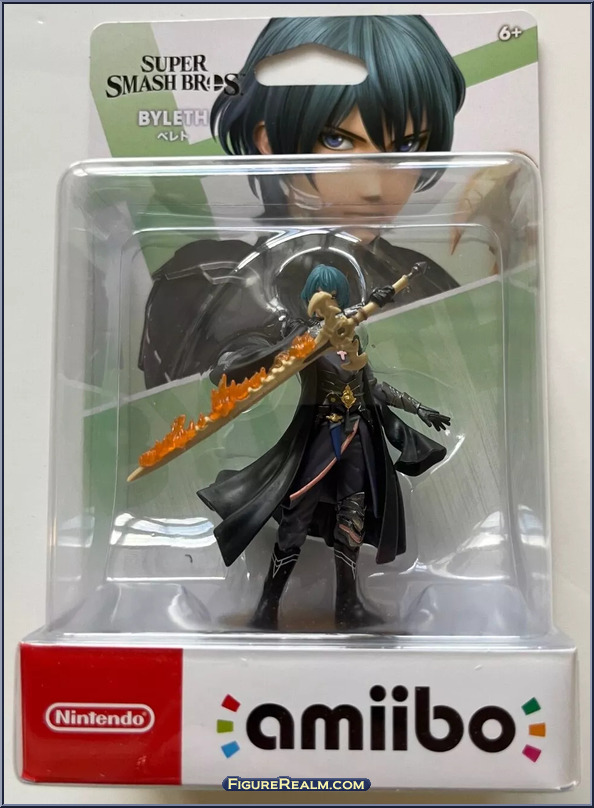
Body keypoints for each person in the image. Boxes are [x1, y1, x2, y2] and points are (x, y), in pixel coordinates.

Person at [138, 14, 466, 388]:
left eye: (406, 146)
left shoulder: (425, 284)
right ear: (268, 140)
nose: (375, 187)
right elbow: (173, 413)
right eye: (338, 141)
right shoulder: (206, 285)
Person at [197, 265, 450, 630]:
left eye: (335, 297)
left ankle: (348, 607)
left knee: (352, 520)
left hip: (357, 439)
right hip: (320, 439)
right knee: (296, 517)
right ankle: (267, 607)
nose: (330, 303)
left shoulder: (351, 340)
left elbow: (375, 388)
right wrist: (356, 311)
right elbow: (295, 351)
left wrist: (420, 409)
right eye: (323, 298)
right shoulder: (306, 340)